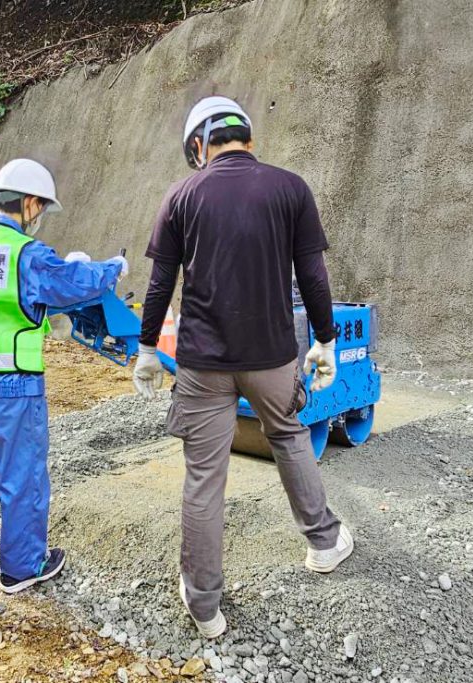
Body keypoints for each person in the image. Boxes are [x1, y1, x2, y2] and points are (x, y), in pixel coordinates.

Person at [132, 96, 353, 637]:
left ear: (199, 145)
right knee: (290, 437)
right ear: (248, 140)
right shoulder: (290, 188)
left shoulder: (181, 195)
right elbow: (315, 278)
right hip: (274, 357)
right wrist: (324, 340)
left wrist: (144, 348)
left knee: (205, 476)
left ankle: (205, 606)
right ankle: (324, 543)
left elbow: (161, 284)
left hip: (204, 362)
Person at [0, 158, 128, 602]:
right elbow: (74, 282)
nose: (39, 219)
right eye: (41, 209)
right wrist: (112, 267)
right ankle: (22, 568)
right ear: (31, 203)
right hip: (15, 384)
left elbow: (7, 301)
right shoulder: (27, 254)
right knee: (23, 477)